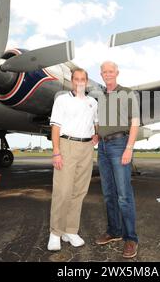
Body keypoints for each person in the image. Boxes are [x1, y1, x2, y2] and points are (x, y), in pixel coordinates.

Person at [47, 68, 99, 251]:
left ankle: (70, 230)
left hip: (86, 148)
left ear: (86, 81)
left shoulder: (93, 102)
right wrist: (56, 151)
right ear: (72, 81)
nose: (79, 82)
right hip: (67, 145)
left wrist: (96, 135)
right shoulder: (62, 100)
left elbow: (95, 123)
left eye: (82, 79)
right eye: (76, 79)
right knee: (63, 191)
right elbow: (55, 127)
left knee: (79, 191)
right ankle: (55, 233)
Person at [95, 60, 140, 259]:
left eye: (111, 71)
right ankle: (114, 231)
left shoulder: (128, 93)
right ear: (101, 74)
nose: (108, 74)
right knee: (108, 194)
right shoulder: (100, 96)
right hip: (103, 147)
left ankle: (131, 238)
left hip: (120, 144)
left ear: (117, 72)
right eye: (104, 71)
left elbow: (135, 122)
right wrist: (96, 136)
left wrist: (129, 148)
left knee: (124, 195)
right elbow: (100, 121)